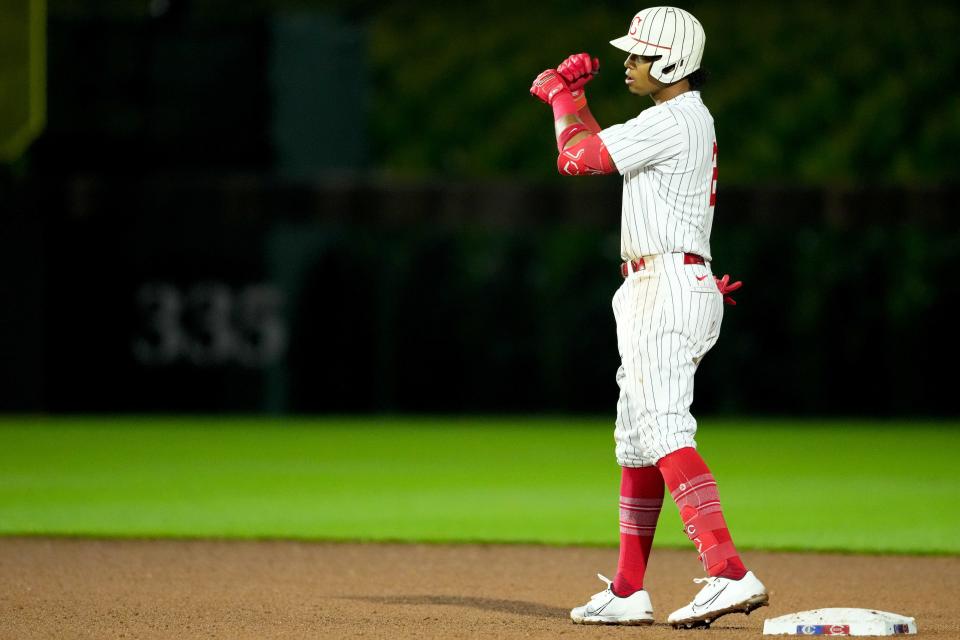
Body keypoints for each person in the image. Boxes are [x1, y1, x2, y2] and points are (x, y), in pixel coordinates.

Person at [529, 6, 768, 629]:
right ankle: (630, 587)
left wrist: (559, 98)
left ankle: (728, 571)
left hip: (665, 284)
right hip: (663, 281)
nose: (629, 63)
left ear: (672, 61)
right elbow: (600, 147)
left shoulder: (674, 119)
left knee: (664, 430)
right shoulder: (678, 120)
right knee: (637, 440)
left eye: (639, 54)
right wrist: (578, 99)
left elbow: (577, 159)